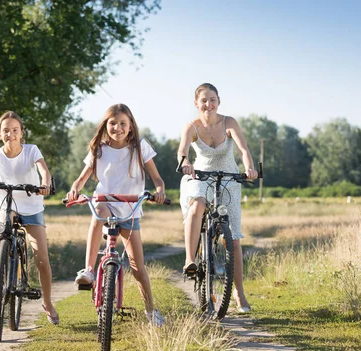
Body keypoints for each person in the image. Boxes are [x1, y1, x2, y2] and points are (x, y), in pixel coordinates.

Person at [66, 104, 167, 326]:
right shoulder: (99, 149)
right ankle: (90, 270)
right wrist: (75, 189)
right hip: (106, 200)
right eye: (112, 123)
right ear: (105, 125)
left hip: (130, 208)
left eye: (123, 123)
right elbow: (82, 179)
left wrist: (159, 190)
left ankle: (151, 311)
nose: (117, 128)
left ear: (130, 126)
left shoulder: (140, 147)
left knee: (138, 267)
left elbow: (157, 179)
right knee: (98, 213)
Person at [0, 111, 59, 325]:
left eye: (15, 130)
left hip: (32, 206)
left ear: (21, 133)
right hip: (8, 205)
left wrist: (45, 184)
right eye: (6, 130)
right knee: (0, 236)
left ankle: (47, 302)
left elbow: (44, 171)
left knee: (42, 260)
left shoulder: (31, 151)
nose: (11, 134)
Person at [177, 83, 258, 313]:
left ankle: (239, 294)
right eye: (203, 100)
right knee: (197, 206)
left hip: (230, 177)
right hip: (200, 176)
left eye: (212, 99)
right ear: (196, 103)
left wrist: (249, 168)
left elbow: (244, 150)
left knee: (232, 240)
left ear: (218, 101)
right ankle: (190, 260)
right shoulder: (191, 126)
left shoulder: (228, 122)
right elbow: (182, 150)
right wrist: (185, 164)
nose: (208, 104)